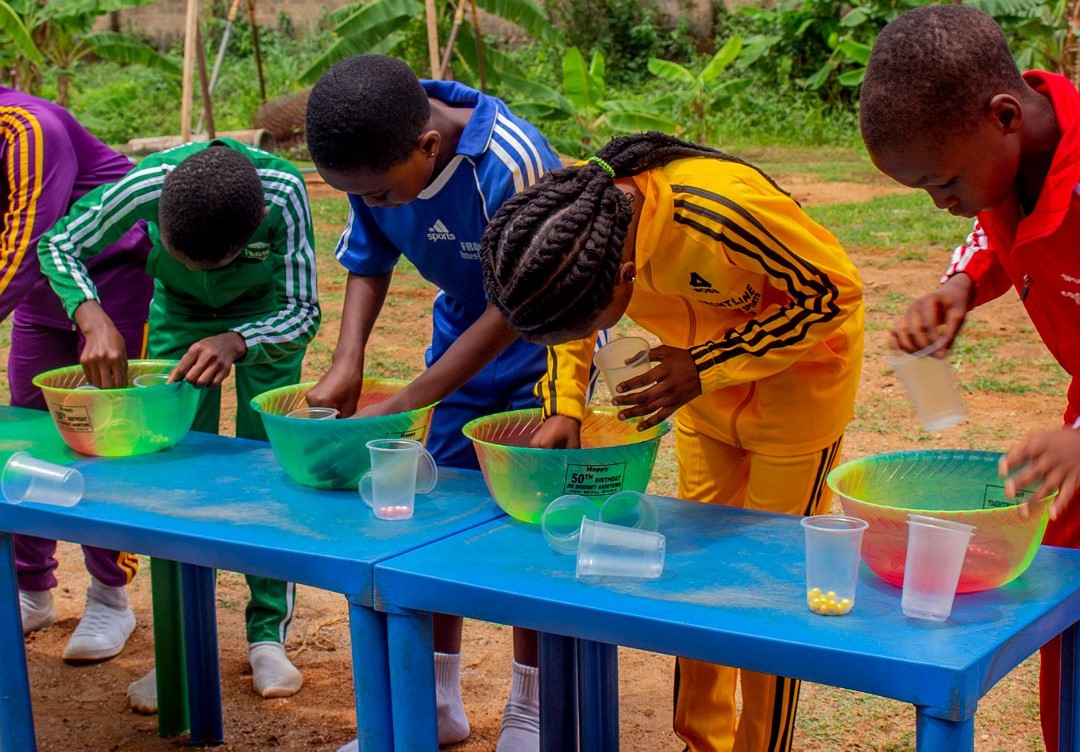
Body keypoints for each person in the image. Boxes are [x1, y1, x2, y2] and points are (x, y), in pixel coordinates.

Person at [480, 132, 865, 752]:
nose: (589, 333)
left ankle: (760, 746)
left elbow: (833, 293)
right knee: (700, 571)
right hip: (701, 403)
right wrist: (564, 406)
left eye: (594, 320)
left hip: (799, 396)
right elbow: (568, 318)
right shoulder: (578, 213)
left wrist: (707, 362)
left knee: (770, 580)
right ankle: (702, 740)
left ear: (625, 275)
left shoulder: (717, 211)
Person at [303, 54, 571, 751]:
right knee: (435, 515)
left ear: (428, 148)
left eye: (387, 194)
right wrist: (347, 360)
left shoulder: (512, 162)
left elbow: (522, 301)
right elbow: (367, 260)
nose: (381, 204)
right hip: (460, 342)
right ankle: (439, 699)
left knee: (527, 518)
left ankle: (532, 708)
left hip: (542, 345)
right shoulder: (375, 152)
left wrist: (410, 398)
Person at [859, 6, 1080, 750]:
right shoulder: (1020, 154)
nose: (942, 202)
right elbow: (995, 222)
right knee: (1068, 588)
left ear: (1004, 116)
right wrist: (960, 285)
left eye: (944, 180)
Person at [37, 138, 320, 710]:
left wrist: (240, 340)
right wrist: (90, 316)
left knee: (267, 466)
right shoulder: (149, 184)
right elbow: (60, 242)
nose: (197, 270)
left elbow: (303, 309)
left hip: (263, 322)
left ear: (253, 232)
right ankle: (178, 643)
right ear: (161, 217)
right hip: (179, 320)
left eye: (208, 264)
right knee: (171, 473)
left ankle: (267, 635)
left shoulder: (284, 194)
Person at [1, 87, 154, 661]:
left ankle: (110, 596)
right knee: (27, 436)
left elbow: (24, 244)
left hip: (115, 289)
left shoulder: (29, 130)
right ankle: (32, 588)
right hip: (43, 293)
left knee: (103, 439)